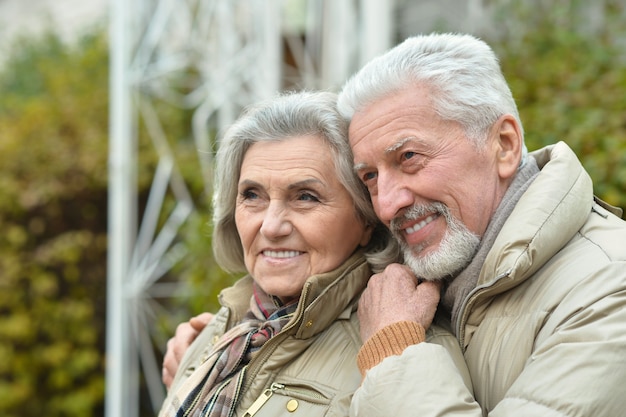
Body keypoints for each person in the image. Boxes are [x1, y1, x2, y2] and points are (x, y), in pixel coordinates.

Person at [337, 32, 626, 416]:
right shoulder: (399, 285)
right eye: (370, 177)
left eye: (409, 157)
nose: (387, 205)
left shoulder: (609, 289)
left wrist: (394, 353)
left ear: (504, 145)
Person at [158, 90, 472, 417]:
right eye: (252, 195)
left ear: (366, 219)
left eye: (305, 197)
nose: (270, 226)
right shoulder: (225, 333)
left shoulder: (408, 351)